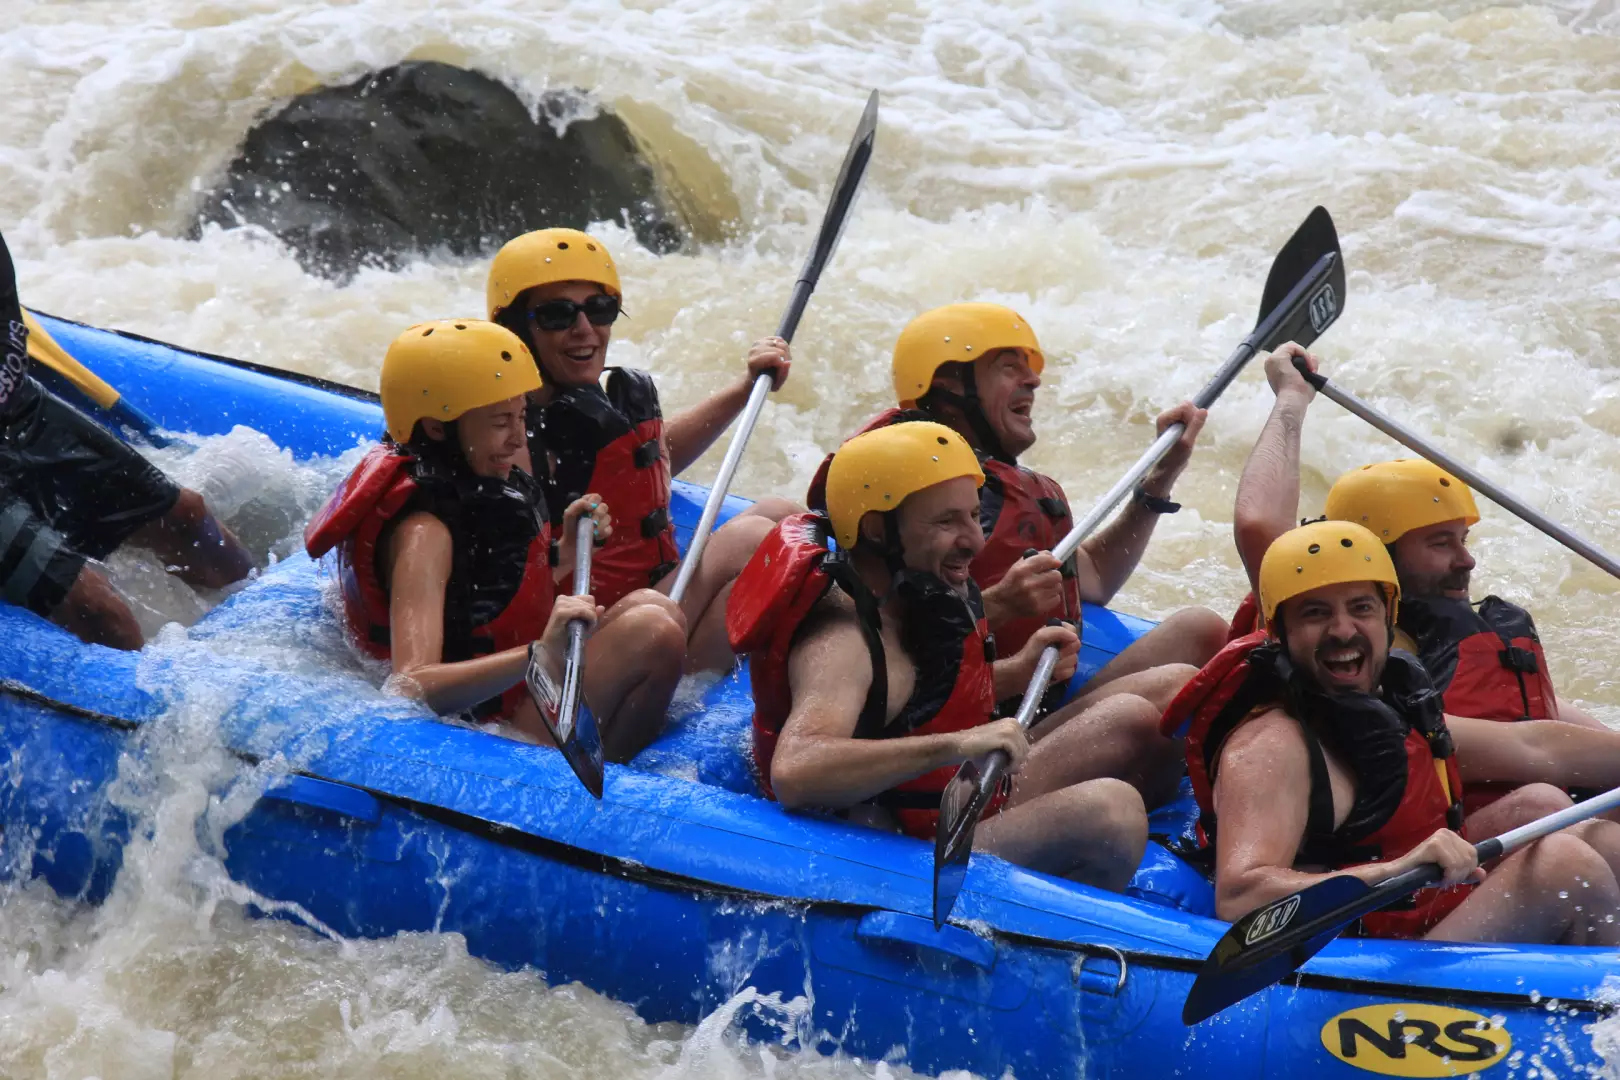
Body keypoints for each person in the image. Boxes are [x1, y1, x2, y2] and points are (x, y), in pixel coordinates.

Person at [729, 420, 1155, 891]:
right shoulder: (844, 642)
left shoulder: (914, 591)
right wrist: (960, 744)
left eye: (974, 515)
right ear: (877, 530)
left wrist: (1016, 672)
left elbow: (914, 698)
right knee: (1112, 814)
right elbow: (795, 770)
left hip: (955, 795)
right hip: (900, 848)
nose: (975, 540)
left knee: (1131, 718)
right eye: (947, 521)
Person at [1166, 520, 1620, 943]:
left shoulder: (1390, 700)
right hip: (1361, 947)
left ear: (1389, 618)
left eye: (1361, 608)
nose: (1343, 630)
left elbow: (1533, 745)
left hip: (1414, 901)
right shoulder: (1270, 745)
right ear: (1280, 632)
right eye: (1315, 613)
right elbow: (1240, 897)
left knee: (1548, 809)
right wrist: (1396, 870)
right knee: (1566, 867)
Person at [1234, 343, 1608, 819]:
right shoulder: (1347, 653)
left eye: (1462, 539)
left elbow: (1552, 726)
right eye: (1439, 543)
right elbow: (1259, 525)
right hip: (1425, 843)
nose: (1467, 561)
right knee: (1543, 803)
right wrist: (1291, 398)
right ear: (1379, 552)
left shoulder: (1461, 639)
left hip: (1498, 808)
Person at [806, 302, 1227, 715]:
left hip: (1027, 693)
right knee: (1164, 691)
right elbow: (888, 646)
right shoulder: (910, 495)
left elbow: (1094, 577)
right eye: (1009, 367)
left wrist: (1157, 480)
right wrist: (1000, 604)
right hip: (967, 723)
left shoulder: (988, 489)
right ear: (950, 388)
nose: (1033, 380)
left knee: (1199, 628)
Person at [304, 319, 686, 760]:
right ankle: (609, 777)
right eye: (501, 422)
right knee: (652, 631)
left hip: (508, 693)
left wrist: (566, 550)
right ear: (437, 428)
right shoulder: (424, 534)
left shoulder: (472, 489)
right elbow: (409, 685)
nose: (517, 439)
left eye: (522, 416)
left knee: (653, 607)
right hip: (478, 727)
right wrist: (538, 654)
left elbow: (486, 597)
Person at [487, 228, 798, 672]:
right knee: (752, 540)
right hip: (586, 640)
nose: (584, 329)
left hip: (652, 606)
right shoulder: (506, 435)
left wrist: (746, 388)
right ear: (516, 328)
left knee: (784, 516)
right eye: (558, 315)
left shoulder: (581, 407)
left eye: (599, 309)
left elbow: (647, 460)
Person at [0, 228, 251, 649]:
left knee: (187, 517)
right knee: (97, 610)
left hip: (16, 406)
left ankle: (265, 625)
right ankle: (148, 688)